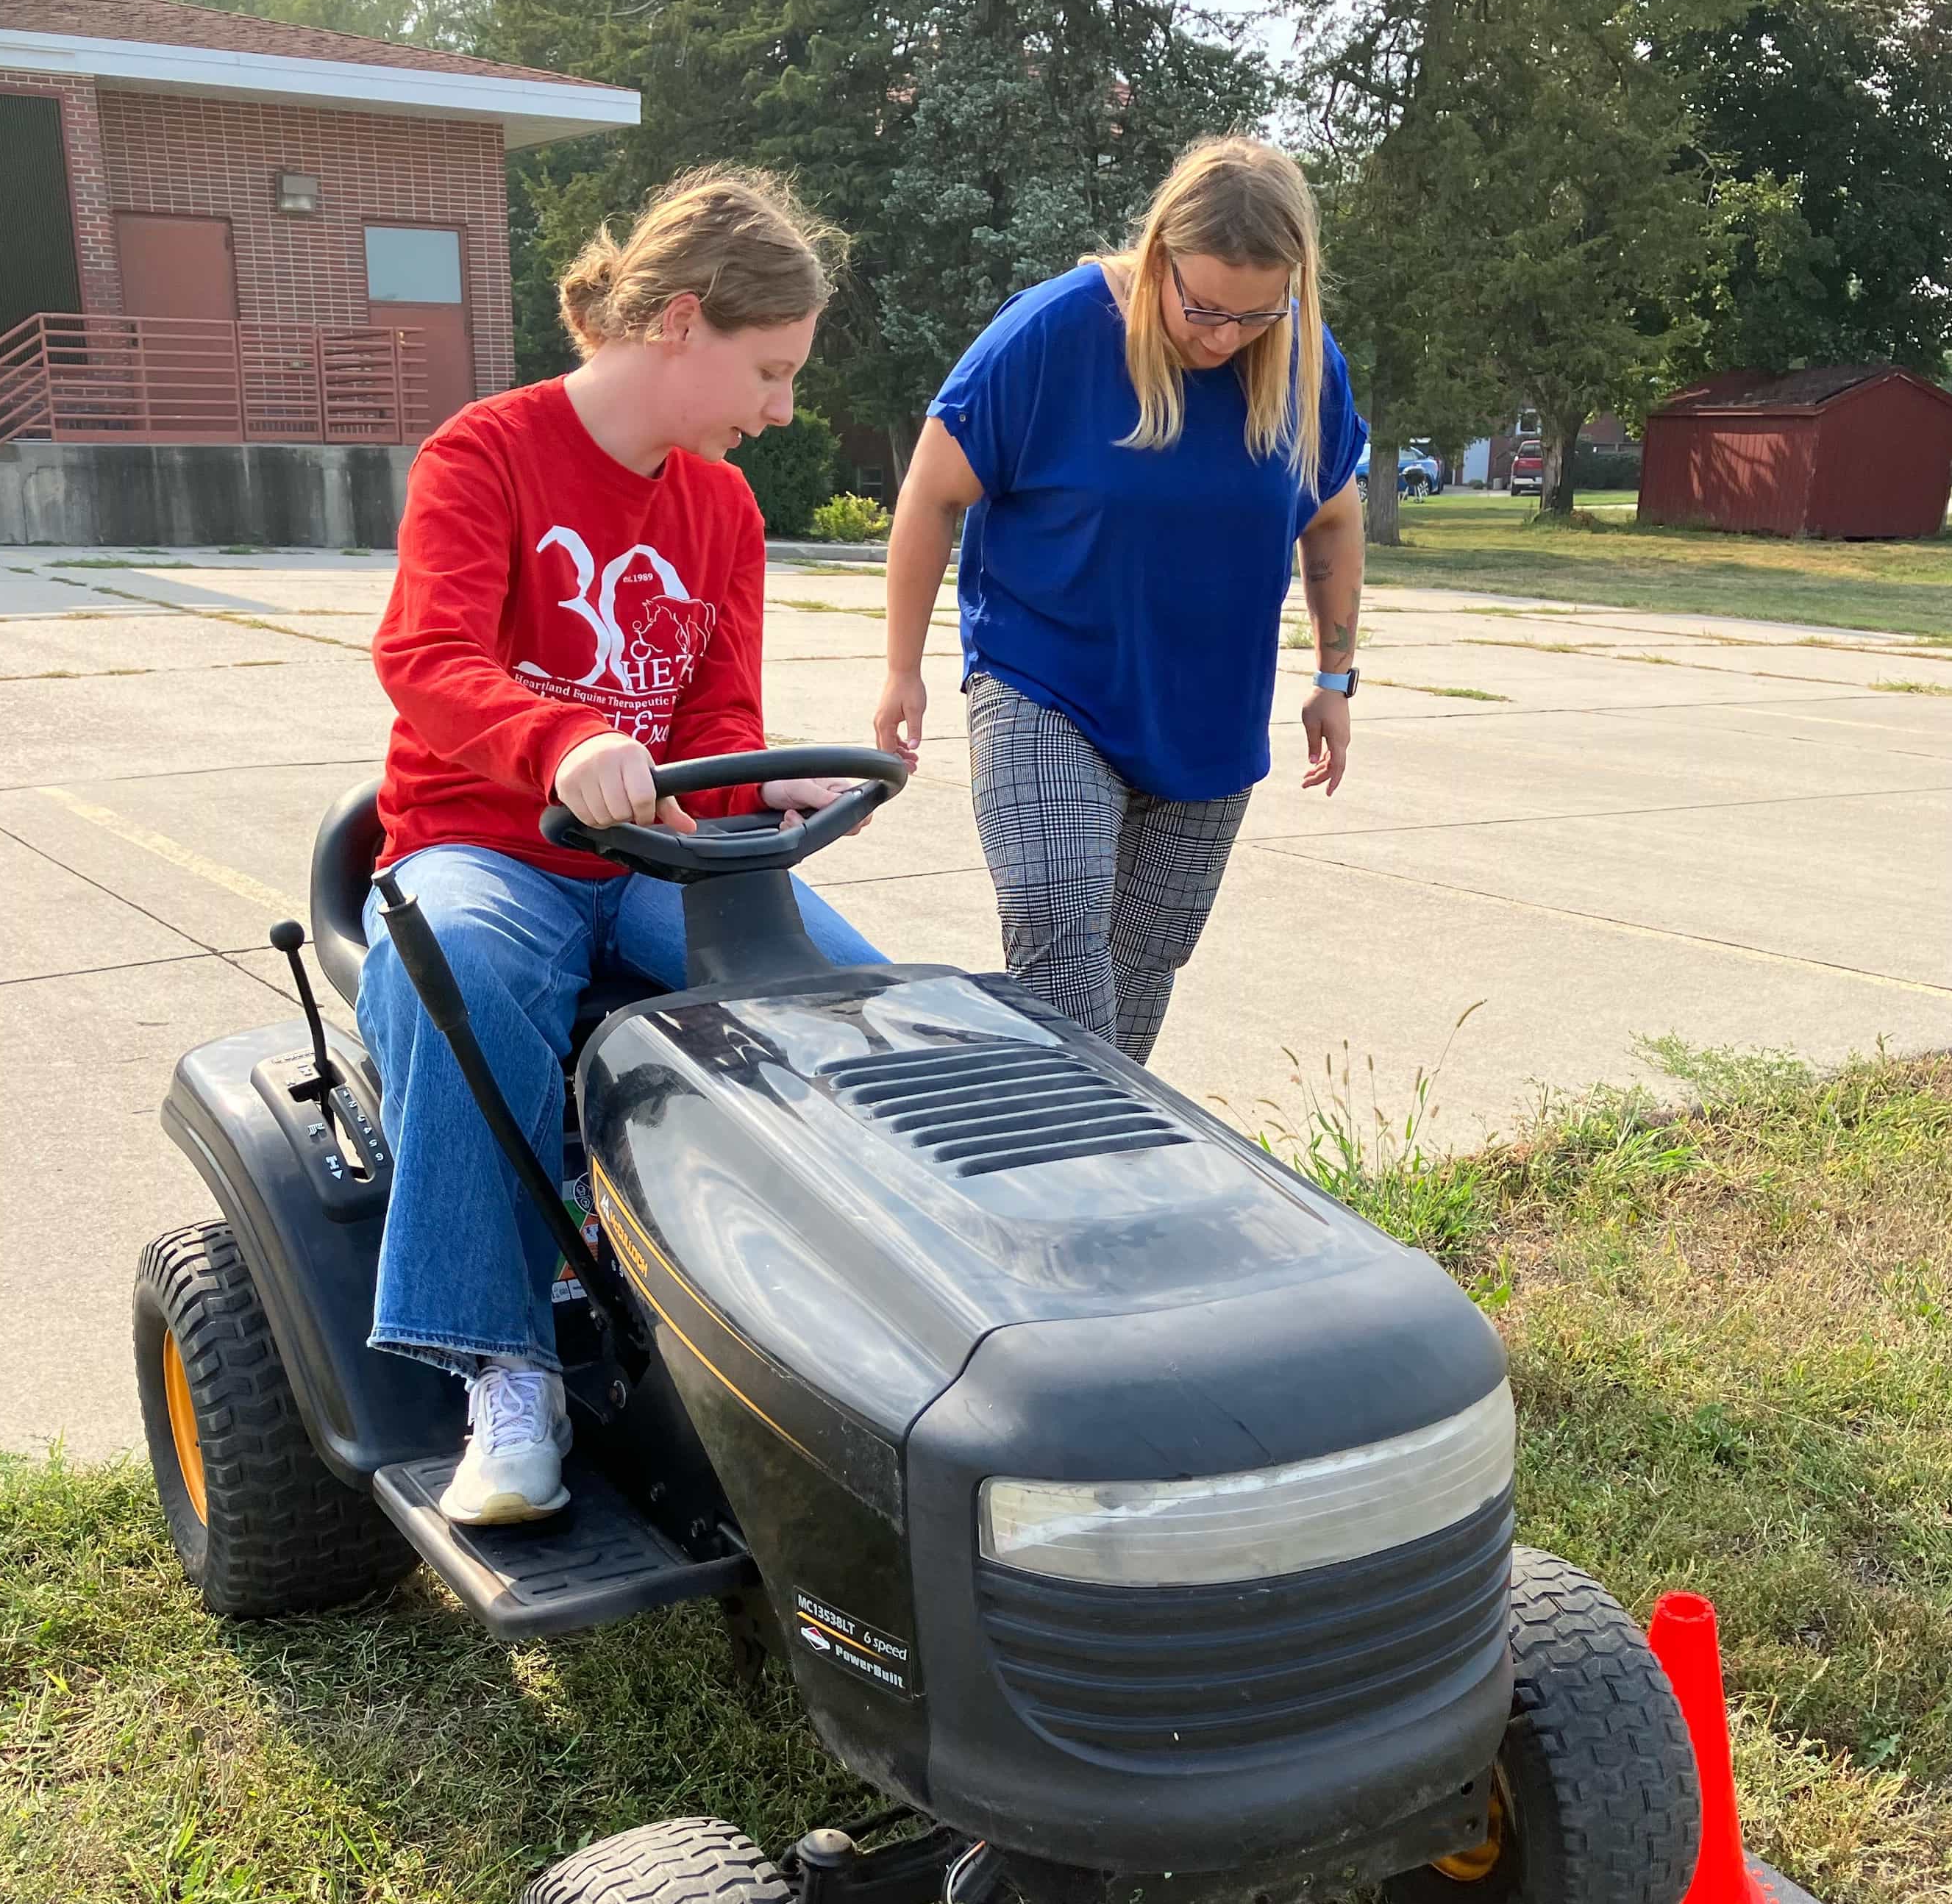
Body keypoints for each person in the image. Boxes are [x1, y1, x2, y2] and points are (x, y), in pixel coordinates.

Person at [361, 168, 880, 1526]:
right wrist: (557, 741)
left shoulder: (719, 512)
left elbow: (715, 716)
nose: (778, 410)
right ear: (681, 322)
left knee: (851, 1003)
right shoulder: (487, 454)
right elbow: (423, 659)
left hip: (652, 857)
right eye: (766, 374)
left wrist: (760, 795)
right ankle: (505, 1368)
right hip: (487, 844)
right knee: (465, 969)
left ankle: (847, 1340)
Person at [872, 135, 1367, 1060]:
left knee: (1143, 969)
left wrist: (1335, 679)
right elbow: (932, 494)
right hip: (1047, 685)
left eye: (1257, 316)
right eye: (1205, 307)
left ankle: (1083, 1172)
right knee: (1058, 937)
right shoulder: (1052, 333)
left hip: (1207, 717)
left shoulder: (1302, 363)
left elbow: (1333, 521)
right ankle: (1057, 1174)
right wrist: (904, 668)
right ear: (1158, 256)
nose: (1225, 338)